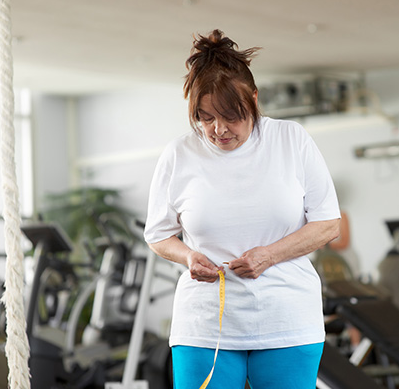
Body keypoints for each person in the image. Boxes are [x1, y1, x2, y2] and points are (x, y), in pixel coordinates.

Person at [143, 29, 341, 389]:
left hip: (287, 317)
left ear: (253, 99)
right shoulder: (179, 154)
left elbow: (328, 224)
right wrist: (187, 256)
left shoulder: (291, 140)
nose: (218, 130)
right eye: (205, 118)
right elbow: (158, 235)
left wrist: (269, 255)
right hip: (204, 324)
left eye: (231, 116)